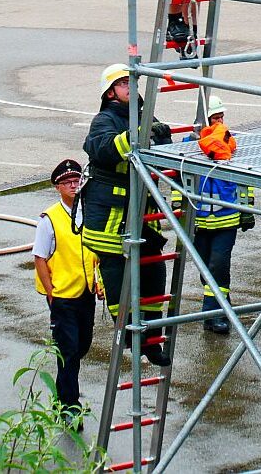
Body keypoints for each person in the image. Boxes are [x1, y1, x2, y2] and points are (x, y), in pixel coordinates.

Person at [80, 64, 173, 366]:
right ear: (110, 92)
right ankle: (132, 334)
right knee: (121, 284)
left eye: (133, 83)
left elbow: (160, 151)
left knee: (156, 273)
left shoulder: (146, 116)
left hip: (141, 216)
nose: (131, 89)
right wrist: (136, 135)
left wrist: (162, 136)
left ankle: (152, 337)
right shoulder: (103, 120)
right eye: (123, 84)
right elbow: (104, 149)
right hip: (110, 220)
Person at [176, 95, 254, 335]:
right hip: (199, 221)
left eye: (222, 116)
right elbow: (178, 181)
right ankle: (220, 310)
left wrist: (247, 208)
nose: (221, 121)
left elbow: (245, 177)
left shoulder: (230, 142)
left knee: (218, 265)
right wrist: (180, 211)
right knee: (205, 271)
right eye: (216, 117)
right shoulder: (189, 145)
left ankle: (216, 315)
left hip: (226, 218)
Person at [34, 159, 98, 426]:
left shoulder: (91, 212)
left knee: (82, 345)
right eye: (68, 182)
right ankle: (69, 406)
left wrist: (100, 283)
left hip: (86, 293)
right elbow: (39, 257)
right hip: (62, 297)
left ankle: (65, 393)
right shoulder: (50, 219)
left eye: (77, 181)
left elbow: (98, 253)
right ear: (58, 187)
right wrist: (51, 292)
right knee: (69, 351)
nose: (74, 185)